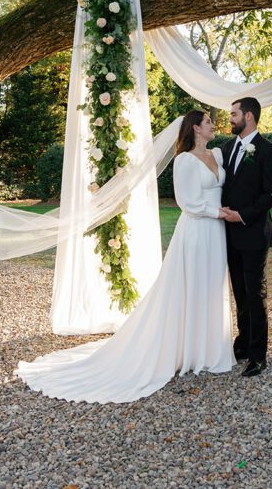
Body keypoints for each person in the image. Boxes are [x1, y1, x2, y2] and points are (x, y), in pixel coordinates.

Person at [15, 110, 234, 403]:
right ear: (195, 128)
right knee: (191, 288)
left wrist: (224, 213)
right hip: (197, 231)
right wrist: (218, 212)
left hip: (217, 232)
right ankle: (187, 351)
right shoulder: (184, 161)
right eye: (208, 122)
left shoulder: (218, 155)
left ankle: (210, 349)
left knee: (211, 288)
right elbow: (187, 202)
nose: (213, 125)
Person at [219, 97, 272, 377]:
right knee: (240, 293)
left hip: (254, 233)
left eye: (234, 114)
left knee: (256, 294)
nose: (230, 119)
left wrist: (241, 215)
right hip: (229, 235)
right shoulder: (227, 147)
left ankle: (258, 355)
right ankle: (242, 343)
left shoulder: (268, 150)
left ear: (249, 116)